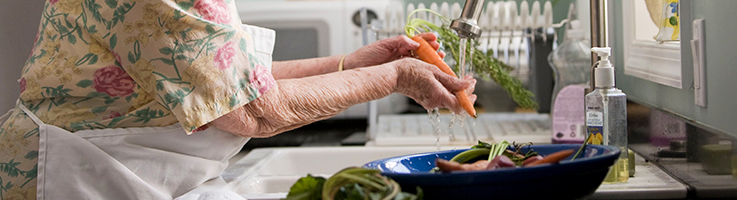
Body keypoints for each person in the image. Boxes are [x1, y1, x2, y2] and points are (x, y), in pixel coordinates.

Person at [0, 0, 476, 199]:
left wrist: (352, 66)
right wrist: (394, 76)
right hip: (80, 180)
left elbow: (229, 82)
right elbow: (251, 110)